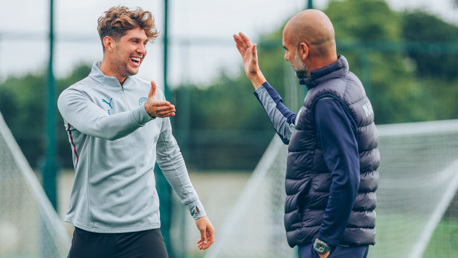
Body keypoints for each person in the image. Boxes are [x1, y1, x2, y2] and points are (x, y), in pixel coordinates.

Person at [58, 6, 214, 258]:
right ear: (109, 43)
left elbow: (169, 155)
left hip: (144, 231)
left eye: (144, 42)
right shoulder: (76, 95)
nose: (142, 49)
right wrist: (145, 113)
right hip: (93, 231)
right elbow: (102, 127)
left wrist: (197, 209)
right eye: (134, 41)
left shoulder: (151, 93)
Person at [233, 9, 379, 258]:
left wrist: (325, 241)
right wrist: (256, 77)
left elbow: (347, 176)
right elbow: (294, 132)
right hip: (343, 241)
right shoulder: (346, 83)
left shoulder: (327, 100)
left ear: (303, 50)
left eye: (287, 49)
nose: (287, 57)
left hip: (331, 243)